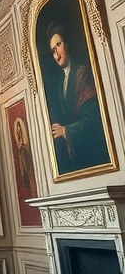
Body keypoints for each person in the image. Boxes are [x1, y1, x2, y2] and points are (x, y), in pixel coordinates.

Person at [45, 21, 110, 175]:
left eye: (58, 45)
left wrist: (65, 130)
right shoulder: (61, 83)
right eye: (53, 51)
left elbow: (93, 119)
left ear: (67, 44)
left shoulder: (83, 73)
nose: (56, 55)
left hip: (93, 153)